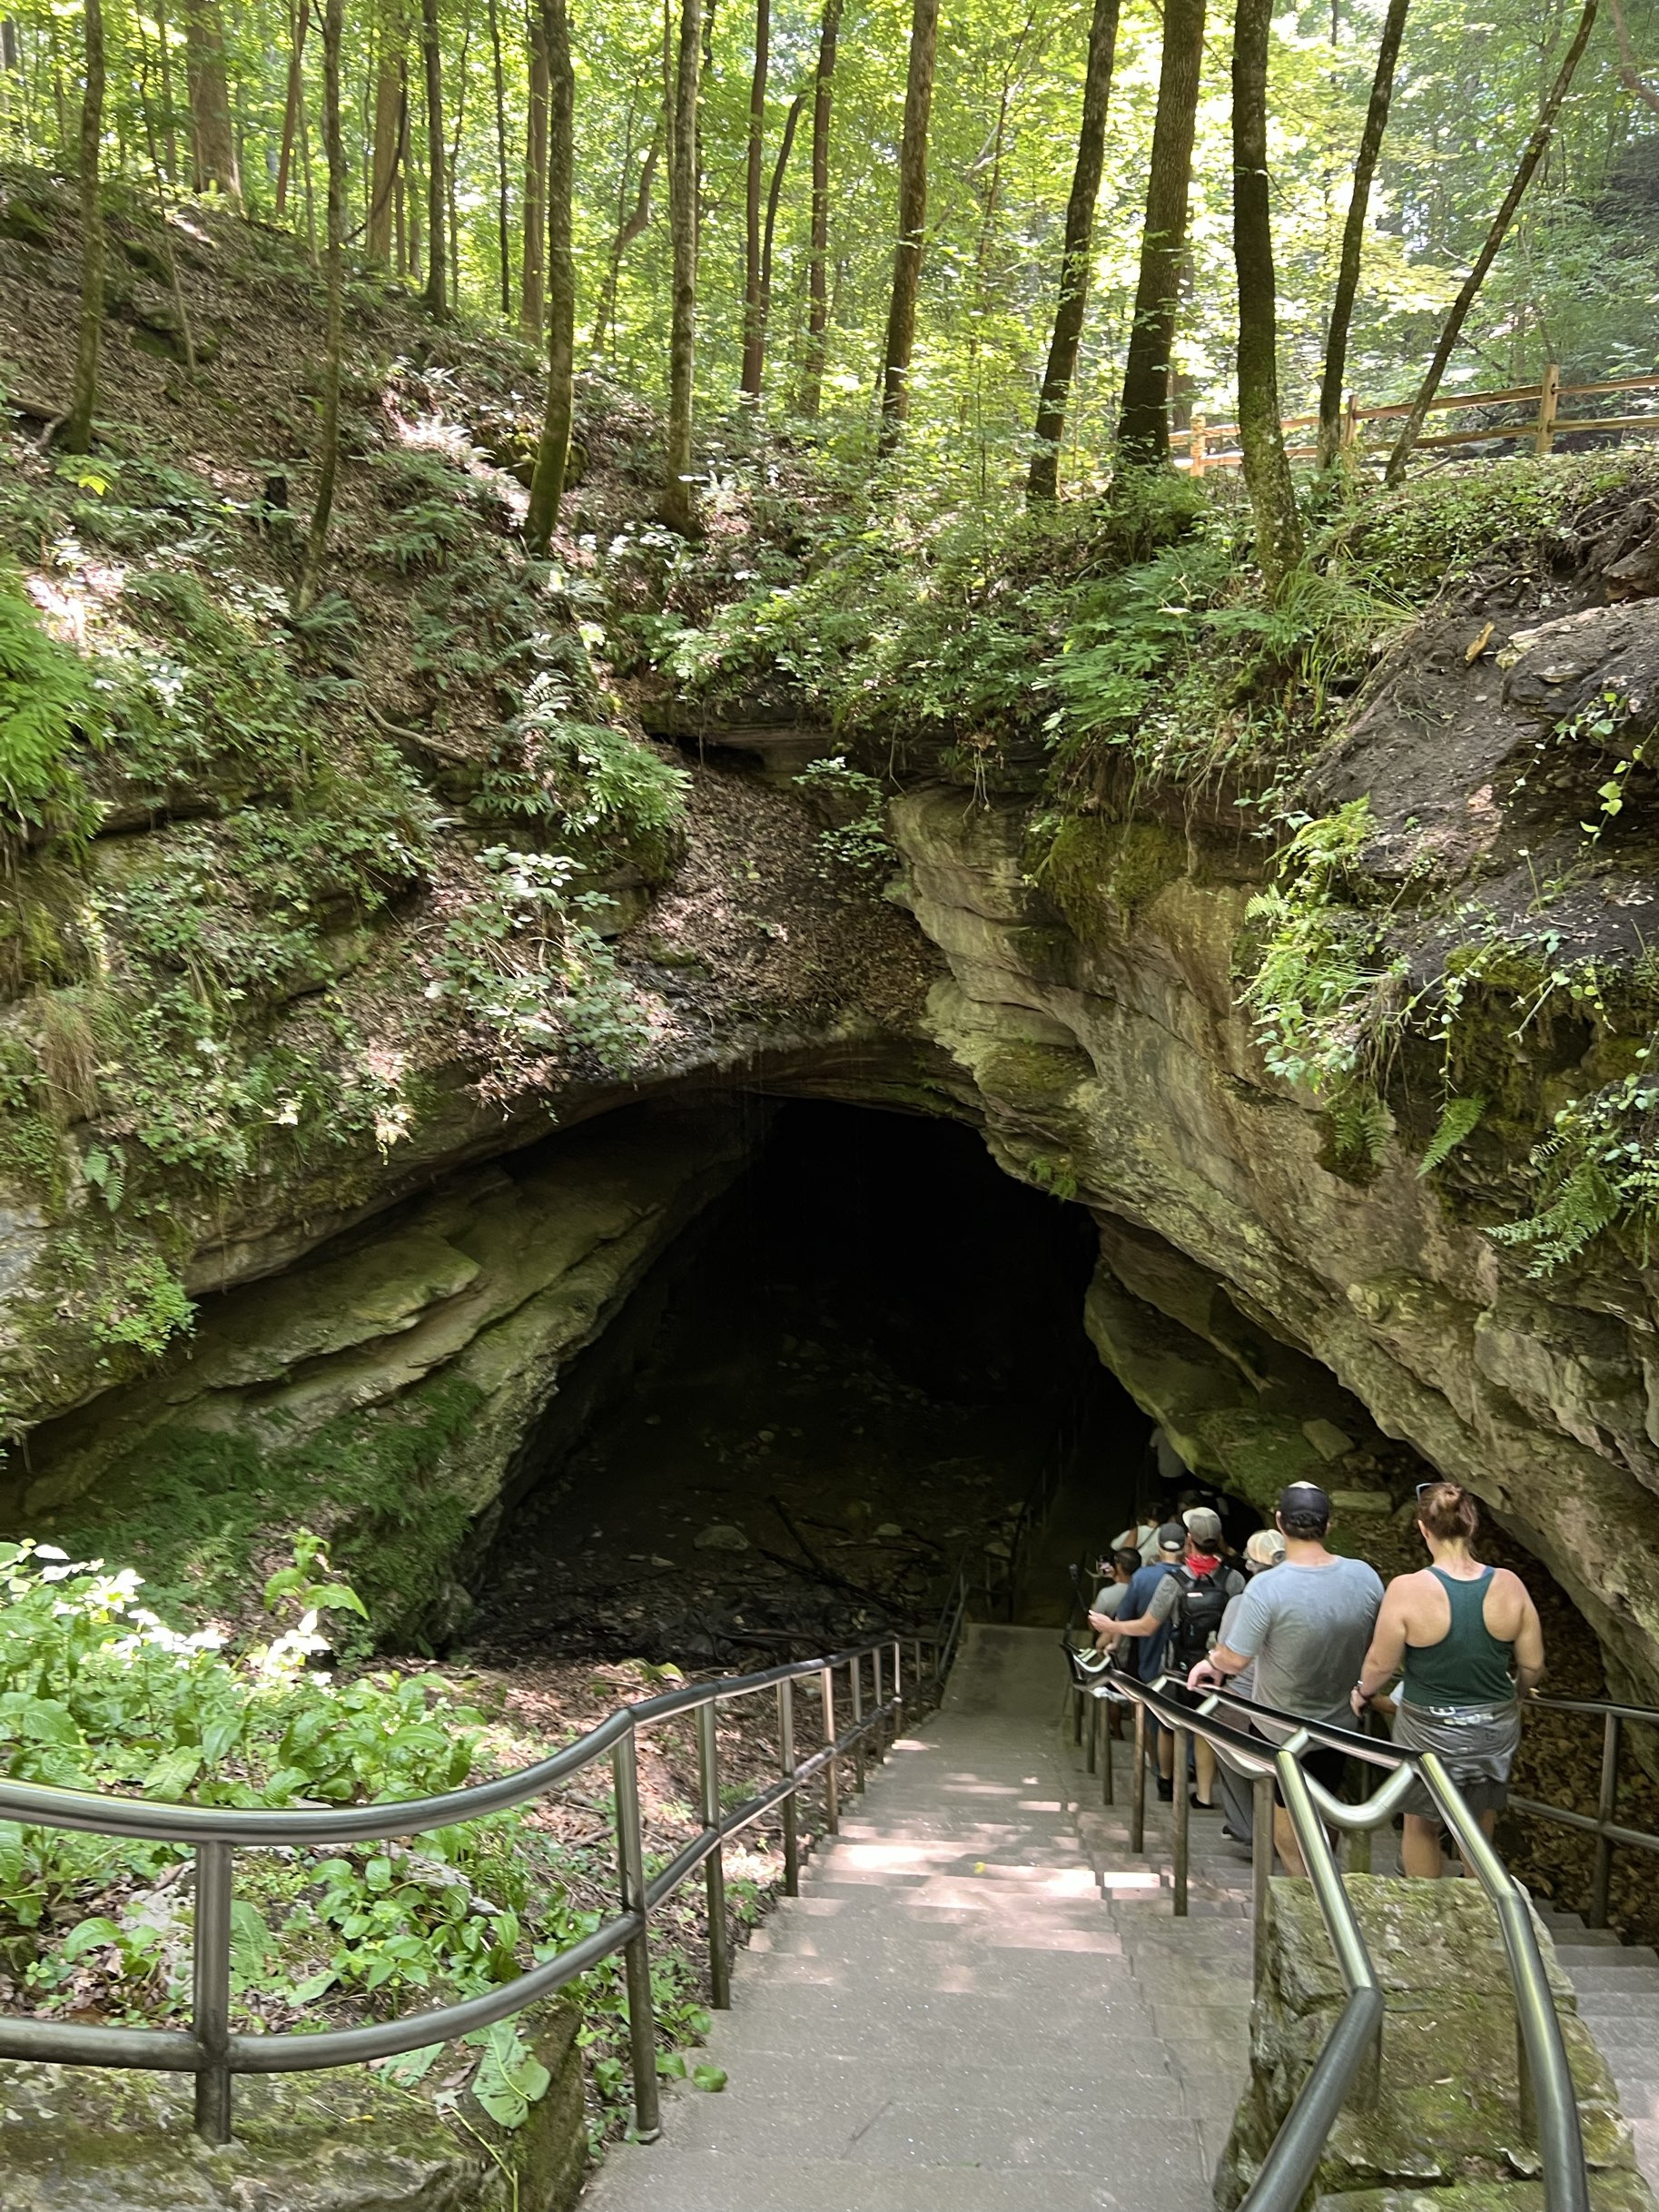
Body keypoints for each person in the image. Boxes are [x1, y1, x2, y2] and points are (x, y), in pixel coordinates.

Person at [1188, 1482, 1382, 1876]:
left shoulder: (1267, 1587)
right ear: (1329, 1526)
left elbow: (1237, 1659)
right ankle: (1326, 1874)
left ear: (1281, 1522)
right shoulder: (1365, 1577)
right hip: (1341, 1723)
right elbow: (1378, 1643)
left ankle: (1308, 1889)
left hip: (1280, 1726)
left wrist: (1212, 1661)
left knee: (1283, 1812)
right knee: (1327, 1798)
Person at [1352, 1481, 1544, 1878]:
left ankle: (1430, 1916)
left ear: (1424, 1529)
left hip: (1429, 1730)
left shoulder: (1407, 1590)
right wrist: (1518, 1695)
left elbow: (1380, 1663)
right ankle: (1482, 1906)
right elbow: (1532, 1666)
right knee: (1478, 1820)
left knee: (1420, 1822)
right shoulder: (1509, 1585)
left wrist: (1363, 1693)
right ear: (1472, 1527)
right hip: (1493, 1729)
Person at [1097, 1507, 1243, 1806]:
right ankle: (1203, 1794)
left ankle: (1166, 1779)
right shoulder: (1234, 1580)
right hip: (1217, 1668)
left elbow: (1148, 1625)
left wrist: (1112, 1627)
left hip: (1176, 1666)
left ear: (1190, 1540)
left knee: (1167, 1726)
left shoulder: (1174, 1581)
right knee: (1205, 1728)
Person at [1212, 1526, 1286, 1845]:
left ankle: (1248, 1825)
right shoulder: (1298, 1597)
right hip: (1290, 1699)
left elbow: (1226, 1652)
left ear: (1251, 1565)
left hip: (1246, 1698)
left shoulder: (1242, 1602)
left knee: (1223, 1735)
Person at [1091, 1547, 1143, 1640]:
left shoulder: (1106, 1595)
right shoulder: (1146, 1588)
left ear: (1118, 1567)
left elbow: (1094, 1626)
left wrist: (1092, 1608)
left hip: (1110, 1641)